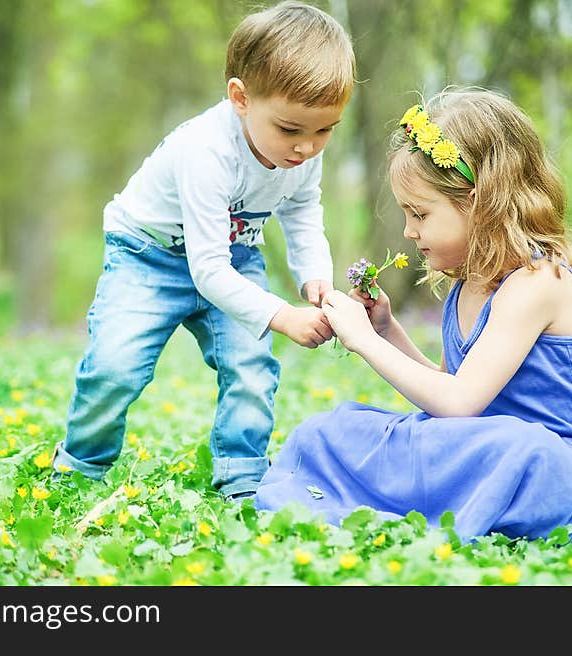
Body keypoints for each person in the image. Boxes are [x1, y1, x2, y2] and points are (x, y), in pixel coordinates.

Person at [254, 88, 572, 543]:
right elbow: (449, 387)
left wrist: (365, 341)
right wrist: (387, 330)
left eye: (419, 213)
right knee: (329, 431)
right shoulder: (468, 285)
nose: (408, 230)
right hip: (483, 448)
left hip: (560, 467)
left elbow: (459, 404)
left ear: (480, 201)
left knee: (518, 447)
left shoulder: (539, 282)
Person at [52, 1, 356, 501]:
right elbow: (206, 270)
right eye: (290, 129)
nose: (306, 147)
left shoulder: (302, 157)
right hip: (148, 256)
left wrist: (314, 276)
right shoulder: (205, 153)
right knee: (115, 365)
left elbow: (302, 212)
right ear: (240, 97)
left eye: (324, 130)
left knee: (251, 368)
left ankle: (243, 477)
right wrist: (282, 315)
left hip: (232, 257)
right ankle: (80, 468)